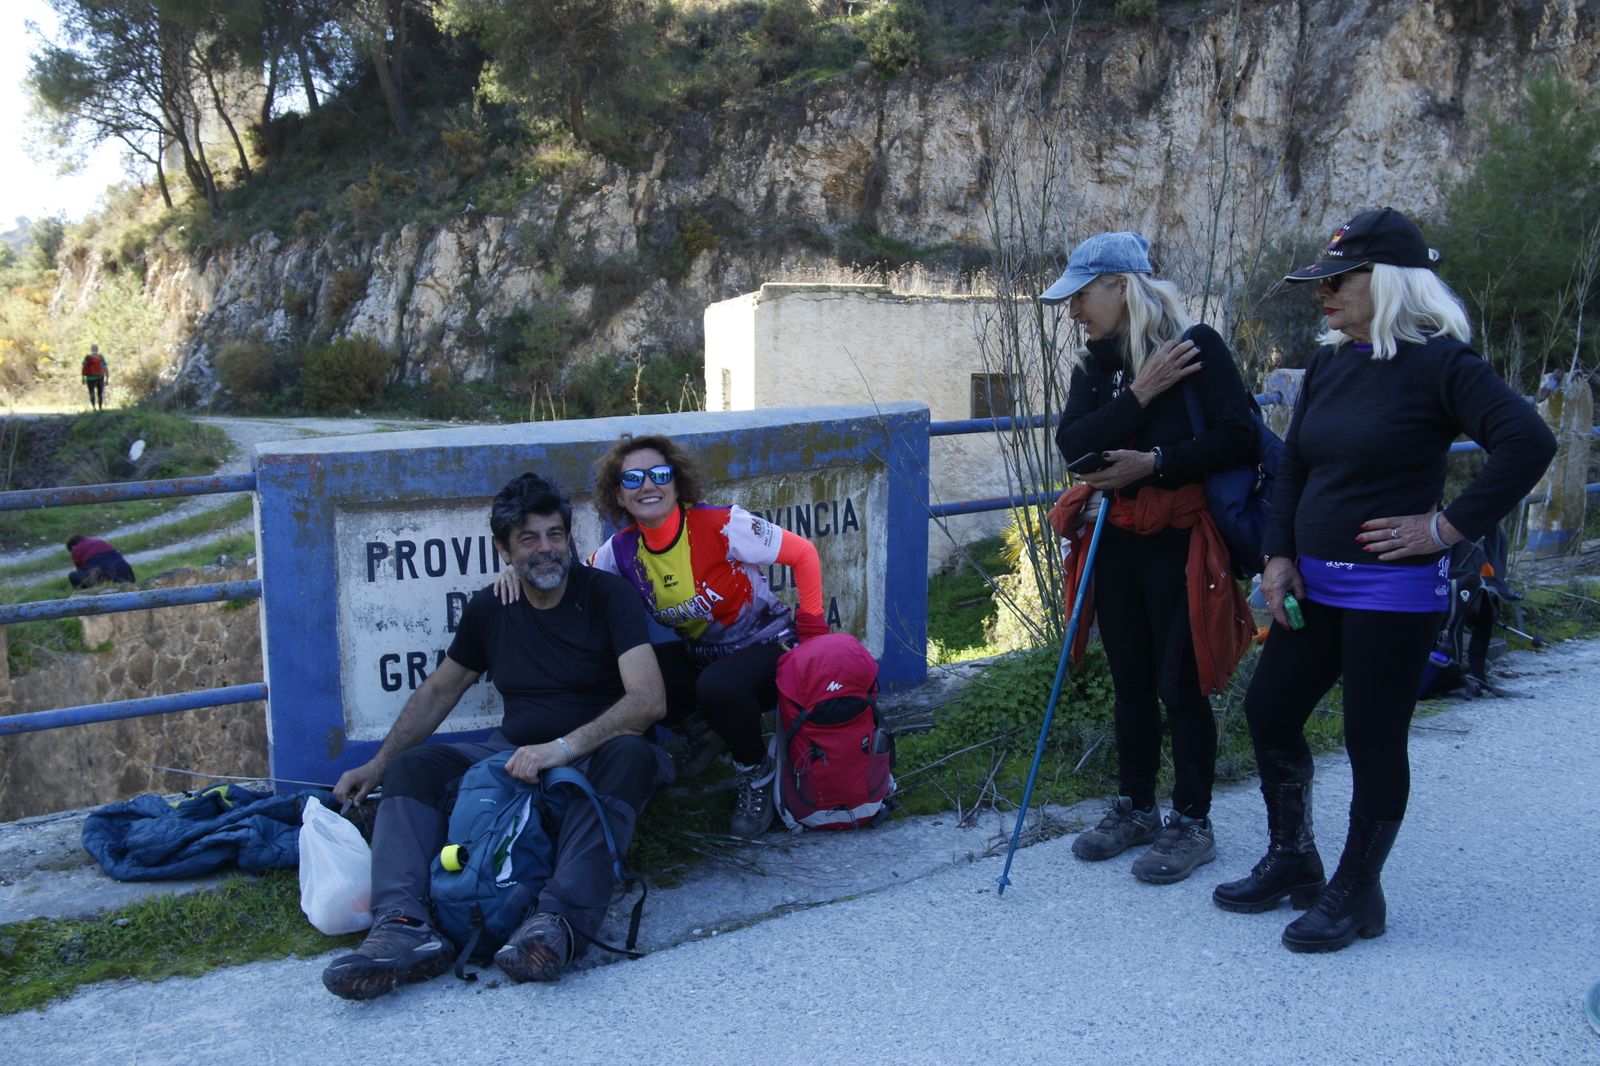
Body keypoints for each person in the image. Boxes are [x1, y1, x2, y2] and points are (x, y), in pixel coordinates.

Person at [1212, 208, 1556, 951]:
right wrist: (1277, 557)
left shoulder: (1441, 364)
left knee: (1372, 738)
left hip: (1392, 594)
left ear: (1390, 282)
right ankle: (1292, 856)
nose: (1323, 294)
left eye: (1338, 281)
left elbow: (1528, 440)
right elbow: (1295, 463)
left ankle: (1357, 891)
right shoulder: (1334, 362)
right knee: (1270, 710)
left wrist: (1446, 527)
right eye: (1321, 282)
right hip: (1314, 585)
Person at [322, 472, 669, 1000]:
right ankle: (403, 926)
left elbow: (647, 701)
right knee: (413, 768)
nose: (546, 549)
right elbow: (439, 692)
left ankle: (557, 923)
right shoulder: (491, 608)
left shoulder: (607, 596)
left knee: (633, 754)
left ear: (570, 538)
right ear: (503, 548)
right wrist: (378, 762)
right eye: (528, 539)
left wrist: (562, 749)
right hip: (509, 756)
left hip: (593, 754)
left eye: (555, 535)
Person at [1047, 230, 1258, 885]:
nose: (1073, 311)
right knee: (1132, 680)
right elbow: (1075, 450)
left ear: (1121, 286)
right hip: (1115, 539)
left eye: (1081, 295)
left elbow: (1241, 437)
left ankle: (1192, 821)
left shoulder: (1198, 350)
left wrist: (1157, 461)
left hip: (1183, 542)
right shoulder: (1096, 365)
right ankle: (1136, 806)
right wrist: (1137, 397)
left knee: (1182, 682)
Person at [498, 433, 830, 838]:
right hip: (706, 656)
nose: (648, 485)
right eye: (633, 478)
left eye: (659, 474)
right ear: (619, 495)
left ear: (677, 483)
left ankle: (756, 773)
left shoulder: (722, 525)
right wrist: (518, 570)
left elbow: (804, 554)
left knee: (718, 687)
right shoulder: (620, 551)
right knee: (637, 672)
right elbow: (575, 580)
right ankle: (708, 735)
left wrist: (813, 632)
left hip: (770, 646)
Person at [65, 534, 135, 588]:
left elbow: (80, 569)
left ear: (72, 547)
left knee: (73, 576)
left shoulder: (76, 549)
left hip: (103, 573)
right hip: (125, 570)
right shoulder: (99, 541)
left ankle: (83, 598)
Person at [81, 344, 107, 411]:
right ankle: (100, 408)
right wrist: (107, 377)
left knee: (91, 392)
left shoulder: (87, 357)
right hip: (100, 377)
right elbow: (105, 367)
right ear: (97, 349)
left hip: (90, 378)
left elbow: (83, 367)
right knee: (100, 393)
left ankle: (93, 407)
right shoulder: (101, 357)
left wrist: (83, 378)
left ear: (91, 349)